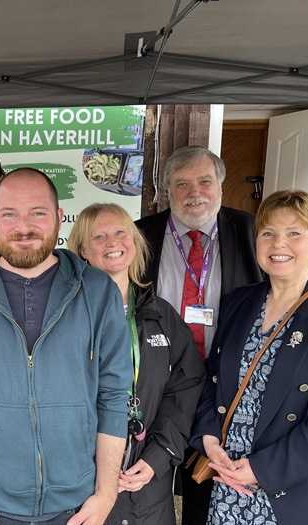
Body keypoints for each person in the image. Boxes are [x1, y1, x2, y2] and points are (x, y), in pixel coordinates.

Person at [0, 168, 132, 525]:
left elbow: (113, 395)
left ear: (59, 218)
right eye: (9, 214)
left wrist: (106, 493)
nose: (24, 227)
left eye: (38, 212)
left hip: (75, 509)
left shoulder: (97, 292)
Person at [190, 189, 308, 524]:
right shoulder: (239, 301)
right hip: (228, 483)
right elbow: (212, 378)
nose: (279, 244)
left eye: (294, 234)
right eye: (268, 233)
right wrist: (210, 439)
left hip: (294, 489)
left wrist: (261, 468)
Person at [135, 145, 262, 524]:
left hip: (226, 383)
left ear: (221, 185)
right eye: (182, 183)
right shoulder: (141, 235)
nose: (195, 192)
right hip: (159, 380)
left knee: (207, 482)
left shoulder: (252, 230)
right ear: (166, 189)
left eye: (205, 181)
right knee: (149, 469)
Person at [68, 203, 205, 525]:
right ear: (83, 251)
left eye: (120, 232)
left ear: (135, 240)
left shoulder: (162, 315)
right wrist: (95, 463)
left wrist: (158, 458)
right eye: (98, 236)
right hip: (82, 484)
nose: (112, 242)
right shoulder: (65, 315)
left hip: (148, 484)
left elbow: (185, 390)